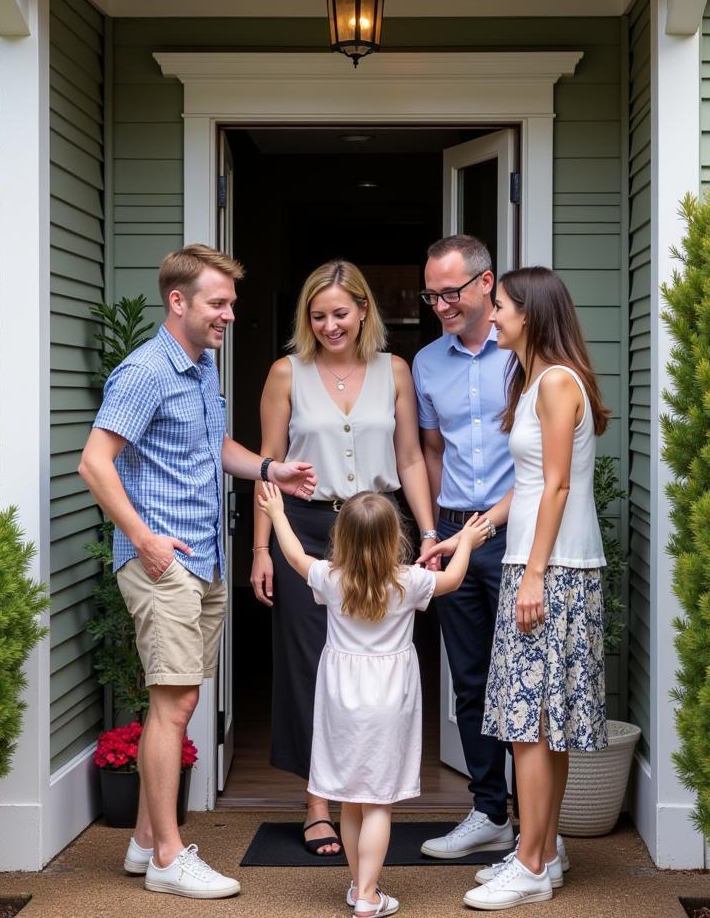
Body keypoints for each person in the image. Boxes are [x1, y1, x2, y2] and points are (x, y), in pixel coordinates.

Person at [79, 244, 317, 899]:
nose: (230, 315)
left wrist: (272, 470)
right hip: (165, 562)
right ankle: (167, 857)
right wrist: (143, 539)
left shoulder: (199, 365)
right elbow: (96, 462)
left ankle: (141, 843)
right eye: (219, 303)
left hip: (205, 558)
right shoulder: (146, 372)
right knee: (174, 701)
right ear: (178, 302)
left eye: (232, 303)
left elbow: (213, 446)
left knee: (178, 702)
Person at [429, 266, 610, 911]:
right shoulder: (533, 380)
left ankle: (530, 863)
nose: (492, 314)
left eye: (500, 305)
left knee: (531, 725)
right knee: (541, 723)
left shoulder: (558, 382)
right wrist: (469, 536)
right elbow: (526, 487)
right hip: (538, 564)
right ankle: (544, 849)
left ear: (529, 312)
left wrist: (532, 571)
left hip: (553, 571)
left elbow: (558, 485)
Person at [250, 260, 438, 858]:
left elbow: (409, 458)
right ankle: (317, 805)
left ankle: (371, 792)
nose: (330, 325)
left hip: (380, 527)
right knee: (313, 665)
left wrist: (429, 531)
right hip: (305, 528)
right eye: (318, 315)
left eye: (340, 313)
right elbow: (268, 466)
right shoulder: (286, 373)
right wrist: (261, 548)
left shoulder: (396, 371)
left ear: (363, 311)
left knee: (378, 665)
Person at [257, 483, 490, 918]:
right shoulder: (409, 581)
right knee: (378, 800)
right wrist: (469, 543)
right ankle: (367, 893)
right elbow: (455, 579)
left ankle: (359, 884)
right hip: (388, 698)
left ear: (340, 537)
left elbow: (293, 556)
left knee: (349, 797)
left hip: (341, 697)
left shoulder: (331, 578)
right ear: (393, 538)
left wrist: (276, 512)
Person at [411, 235, 523, 861]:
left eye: (450, 292)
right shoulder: (427, 363)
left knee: (524, 682)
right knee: (471, 677)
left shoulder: (524, 357)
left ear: (485, 284)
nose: (440, 305)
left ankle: (536, 826)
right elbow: (430, 452)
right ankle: (489, 812)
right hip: (454, 531)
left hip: (519, 532)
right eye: (432, 295)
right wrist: (431, 533)